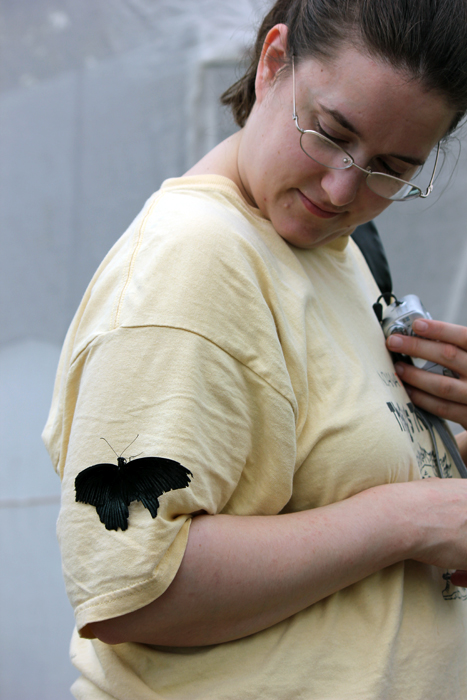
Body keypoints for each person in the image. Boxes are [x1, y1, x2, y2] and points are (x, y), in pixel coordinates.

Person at [43, 1, 467, 698]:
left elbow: (322, 478)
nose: (343, 189)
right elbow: (128, 590)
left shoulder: (325, 245)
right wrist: (411, 520)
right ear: (272, 64)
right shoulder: (196, 257)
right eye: (331, 134)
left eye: (392, 168)